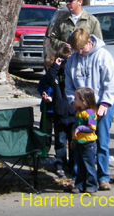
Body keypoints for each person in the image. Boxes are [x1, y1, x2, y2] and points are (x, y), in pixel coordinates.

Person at [64, 28, 114, 191]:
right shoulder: (73, 60)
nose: (80, 52)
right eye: (77, 50)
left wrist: (105, 103)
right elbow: (69, 86)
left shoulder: (103, 56)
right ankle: (78, 177)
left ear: (90, 42)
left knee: (101, 141)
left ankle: (102, 177)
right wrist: (73, 101)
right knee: (80, 142)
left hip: (100, 105)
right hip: (82, 107)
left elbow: (110, 82)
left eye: (82, 49)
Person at [41, 44, 74, 178]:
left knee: (73, 141)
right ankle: (60, 164)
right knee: (60, 141)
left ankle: (72, 164)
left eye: (67, 61)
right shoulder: (55, 74)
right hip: (59, 112)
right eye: (63, 61)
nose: (65, 64)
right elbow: (48, 80)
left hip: (72, 112)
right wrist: (55, 65)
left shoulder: (72, 72)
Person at [69, 87, 98, 195]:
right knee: (79, 165)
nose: (74, 100)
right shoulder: (78, 112)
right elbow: (75, 128)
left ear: (84, 101)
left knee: (89, 165)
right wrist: (73, 140)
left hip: (88, 144)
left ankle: (92, 185)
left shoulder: (89, 113)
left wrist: (80, 128)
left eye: (76, 98)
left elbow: (92, 128)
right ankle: (79, 185)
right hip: (79, 142)